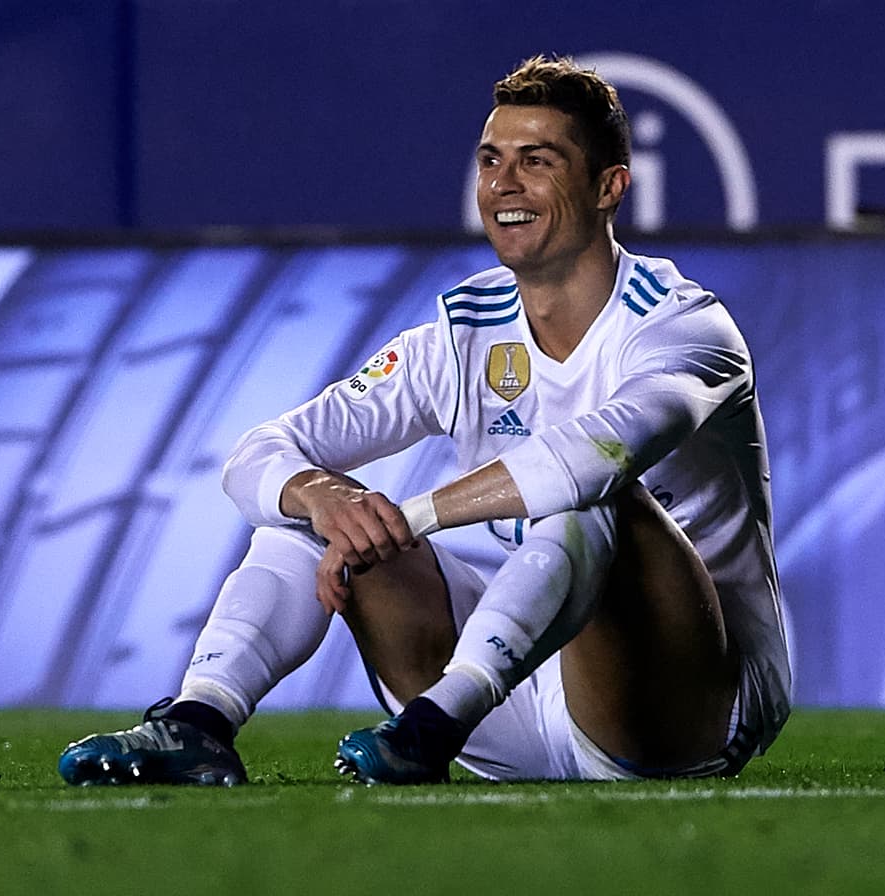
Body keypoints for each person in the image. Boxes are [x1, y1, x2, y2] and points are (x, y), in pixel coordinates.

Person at [58, 54, 790, 787]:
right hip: (509, 704)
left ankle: (428, 728)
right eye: (491, 160)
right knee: (320, 510)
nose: (505, 184)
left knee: (592, 497)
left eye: (538, 162)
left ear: (610, 187)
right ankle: (199, 722)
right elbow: (258, 452)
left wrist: (408, 516)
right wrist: (323, 497)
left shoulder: (682, 327)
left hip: (683, 706)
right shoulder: (465, 328)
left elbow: (595, 454)